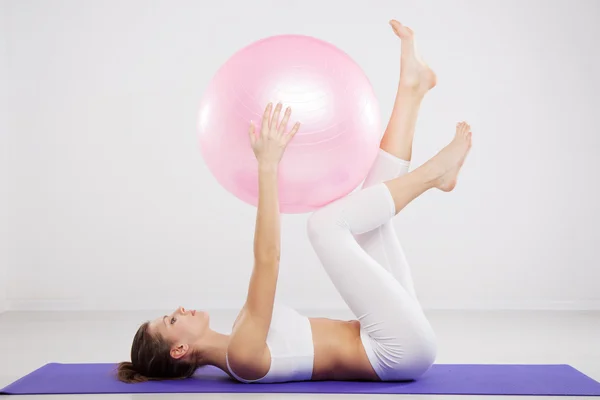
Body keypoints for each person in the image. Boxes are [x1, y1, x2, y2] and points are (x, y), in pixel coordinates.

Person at [117, 19, 472, 384]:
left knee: (367, 225)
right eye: (171, 321)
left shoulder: (240, 335)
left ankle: (411, 89)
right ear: (179, 351)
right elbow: (268, 259)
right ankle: (434, 175)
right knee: (323, 225)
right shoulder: (242, 356)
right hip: (397, 351)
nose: (178, 311)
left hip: (395, 332)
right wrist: (267, 166)